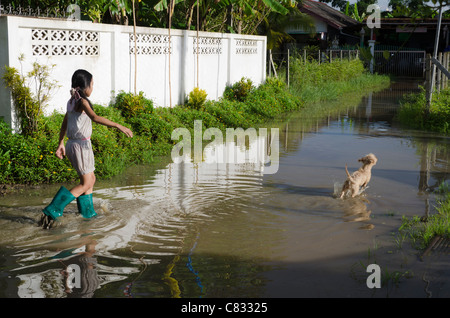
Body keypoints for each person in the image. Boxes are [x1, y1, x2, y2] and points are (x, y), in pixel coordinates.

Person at [39, 69, 133, 229]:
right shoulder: (81, 102)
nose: (92, 87)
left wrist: (61, 142)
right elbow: (95, 118)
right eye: (92, 84)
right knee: (86, 182)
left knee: (91, 180)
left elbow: (64, 122)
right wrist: (118, 125)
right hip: (80, 146)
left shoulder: (71, 101)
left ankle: (87, 214)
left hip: (76, 144)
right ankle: (53, 209)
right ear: (84, 86)